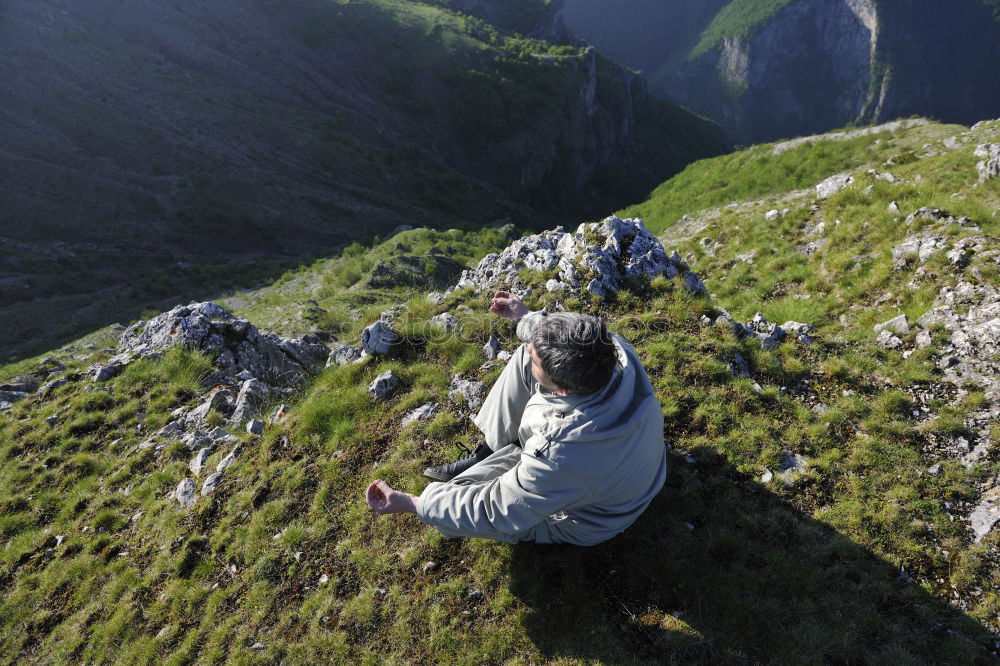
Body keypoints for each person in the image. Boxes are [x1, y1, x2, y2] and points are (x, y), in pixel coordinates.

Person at [365, 291, 667, 546]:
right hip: (622, 469)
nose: (526, 350)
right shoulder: (613, 350)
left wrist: (415, 503)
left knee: (459, 492)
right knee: (527, 356)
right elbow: (558, 341)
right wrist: (524, 318)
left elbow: (496, 510)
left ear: (562, 390)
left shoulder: (559, 453)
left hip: (590, 519)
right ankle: (488, 449)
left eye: (538, 361)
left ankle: (488, 466)